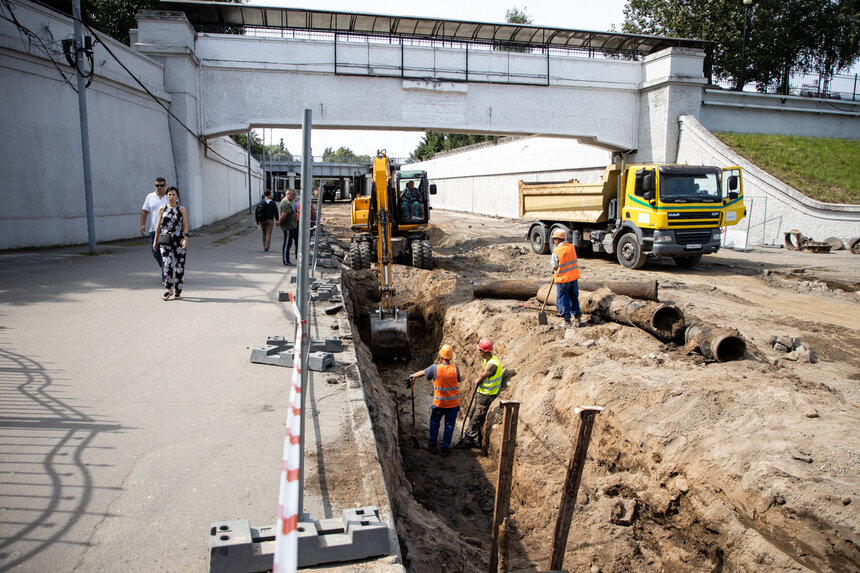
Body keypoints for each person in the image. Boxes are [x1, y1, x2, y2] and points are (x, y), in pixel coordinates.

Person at [407, 343, 461, 455]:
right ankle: (445, 448)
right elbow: (458, 379)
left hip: (440, 403)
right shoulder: (456, 369)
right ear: (450, 357)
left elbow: (422, 373)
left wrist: (412, 376)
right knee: (449, 425)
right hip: (453, 404)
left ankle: (432, 445)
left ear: (441, 356)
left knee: (435, 422)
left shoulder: (435, 369)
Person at [457, 338, 503, 449]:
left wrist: (479, 379)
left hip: (487, 394)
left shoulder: (493, 364)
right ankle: (470, 434)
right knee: (473, 414)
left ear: (484, 351)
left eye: (480, 351)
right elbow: (482, 372)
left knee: (477, 416)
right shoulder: (487, 360)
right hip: (481, 392)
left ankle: (469, 439)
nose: (479, 353)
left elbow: (483, 375)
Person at [153, 186, 188, 301]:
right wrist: (155, 240)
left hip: (178, 239)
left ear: (177, 196)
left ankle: (178, 290)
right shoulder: (162, 209)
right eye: (169, 195)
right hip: (166, 239)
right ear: (166, 196)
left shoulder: (181, 209)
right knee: (167, 264)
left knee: (179, 265)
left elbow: (186, 226)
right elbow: (158, 226)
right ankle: (169, 289)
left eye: (173, 194)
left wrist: (185, 239)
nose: (171, 197)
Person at [551, 228, 582, 327]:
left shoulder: (557, 251)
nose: (554, 241)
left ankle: (567, 321)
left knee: (563, 299)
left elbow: (555, 266)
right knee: (574, 298)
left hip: (563, 279)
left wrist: (555, 270)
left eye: (555, 239)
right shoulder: (571, 247)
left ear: (558, 239)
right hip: (573, 278)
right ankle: (577, 319)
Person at [140, 177, 169, 279]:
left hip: (166, 230)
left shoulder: (169, 196)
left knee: (164, 254)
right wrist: (143, 225)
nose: (159, 187)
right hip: (153, 229)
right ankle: (167, 269)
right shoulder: (150, 197)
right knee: (155, 252)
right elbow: (144, 211)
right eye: (157, 185)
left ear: (165, 186)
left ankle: (165, 278)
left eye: (161, 185)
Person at [277, 188, 299, 266]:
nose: (294, 196)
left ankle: (295, 257)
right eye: (292, 194)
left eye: (294, 195)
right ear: (288, 194)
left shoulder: (288, 202)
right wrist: (279, 222)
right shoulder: (286, 203)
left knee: (293, 241)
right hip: (288, 227)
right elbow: (283, 215)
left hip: (292, 226)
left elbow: (280, 213)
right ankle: (286, 260)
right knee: (287, 243)